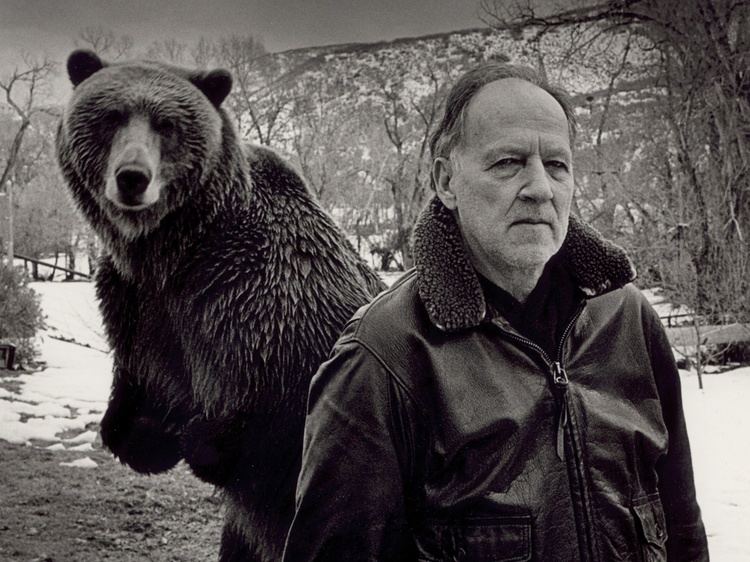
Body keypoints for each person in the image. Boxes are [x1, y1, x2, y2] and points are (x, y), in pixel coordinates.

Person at [282, 63, 709, 561]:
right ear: (446, 181)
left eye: (557, 164)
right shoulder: (384, 357)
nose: (539, 188)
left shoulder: (628, 319)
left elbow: (683, 528)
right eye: (508, 162)